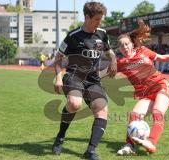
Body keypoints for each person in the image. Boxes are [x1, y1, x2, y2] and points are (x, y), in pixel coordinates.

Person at [115, 20, 169, 155]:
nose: (124, 47)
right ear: (119, 49)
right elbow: (103, 72)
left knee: (157, 112)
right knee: (134, 115)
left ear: (131, 44)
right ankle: (129, 146)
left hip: (161, 86)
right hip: (146, 93)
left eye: (126, 44)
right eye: (121, 45)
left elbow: (163, 58)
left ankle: (151, 142)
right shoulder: (120, 63)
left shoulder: (143, 51)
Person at [52, 2, 117, 160]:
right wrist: (59, 78)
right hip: (74, 77)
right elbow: (58, 59)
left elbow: (109, 52)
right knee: (74, 104)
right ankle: (60, 137)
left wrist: (114, 62)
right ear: (87, 17)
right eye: (96, 19)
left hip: (93, 80)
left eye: (101, 19)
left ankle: (90, 151)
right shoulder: (73, 36)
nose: (99, 22)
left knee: (102, 111)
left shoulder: (102, 34)